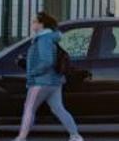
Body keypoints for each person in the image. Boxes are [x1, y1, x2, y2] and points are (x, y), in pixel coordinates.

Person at [14, 11, 83, 141]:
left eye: (34, 21)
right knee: (58, 109)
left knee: (29, 108)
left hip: (41, 81)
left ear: (41, 24)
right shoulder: (50, 37)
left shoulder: (43, 39)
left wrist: (34, 72)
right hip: (54, 81)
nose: (32, 23)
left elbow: (47, 61)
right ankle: (75, 136)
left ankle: (21, 137)